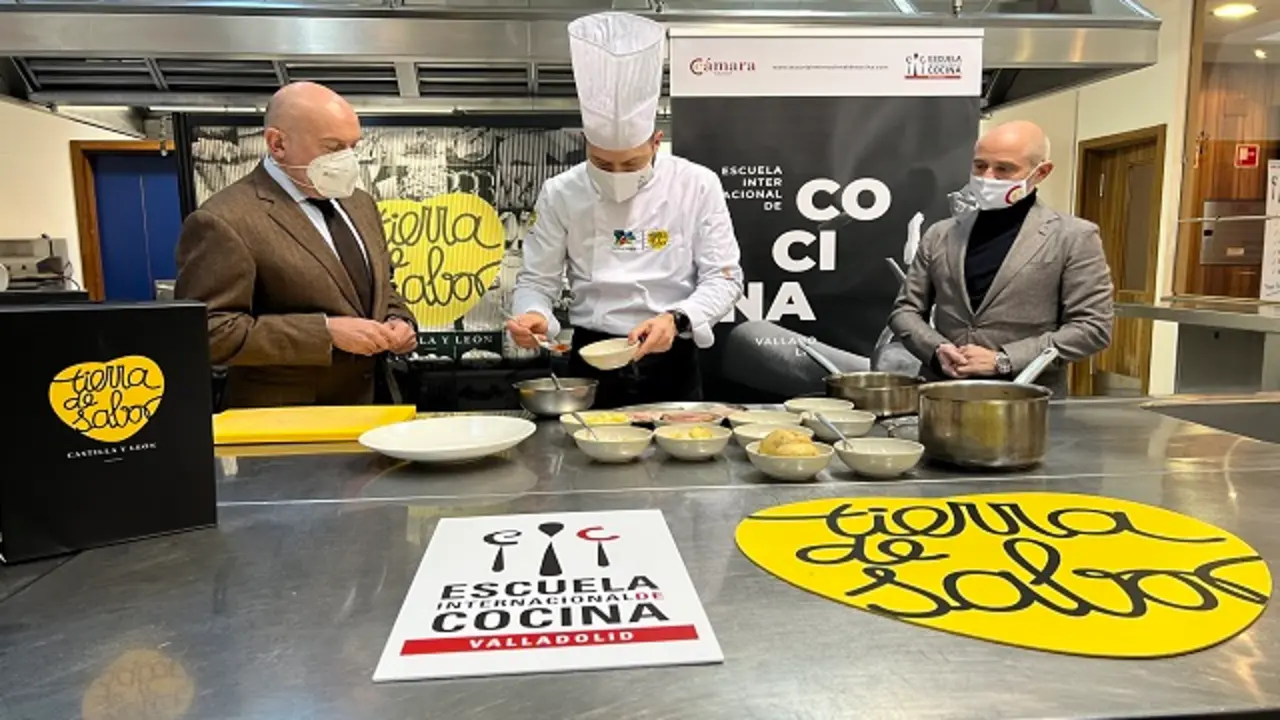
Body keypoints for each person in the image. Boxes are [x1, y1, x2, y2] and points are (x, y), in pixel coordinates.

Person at [507, 11, 744, 408]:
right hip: (591, 359)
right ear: (586, 143)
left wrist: (678, 319)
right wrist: (534, 315)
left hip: (671, 356)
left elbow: (725, 278)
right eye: (602, 163)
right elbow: (537, 280)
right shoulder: (561, 192)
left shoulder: (696, 184)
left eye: (631, 164)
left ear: (656, 142)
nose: (617, 175)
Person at [175, 82, 417, 408]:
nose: (347, 160)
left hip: (374, 405)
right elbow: (209, 332)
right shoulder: (224, 219)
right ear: (277, 143)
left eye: (353, 147)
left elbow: (383, 287)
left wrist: (400, 321)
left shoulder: (360, 204)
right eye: (333, 147)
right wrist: (324, 333)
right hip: (286, 418)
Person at [888, 120, 1114, 396]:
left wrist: (1004, 359)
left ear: (1041, 172)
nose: (988, 177)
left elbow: (1092, 327)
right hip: (941, 394)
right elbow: (905, 311)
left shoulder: (1074, 237)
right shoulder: (941, 234)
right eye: (980, 166)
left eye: (1004, 169)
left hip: (1026, 399)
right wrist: (936, 350)